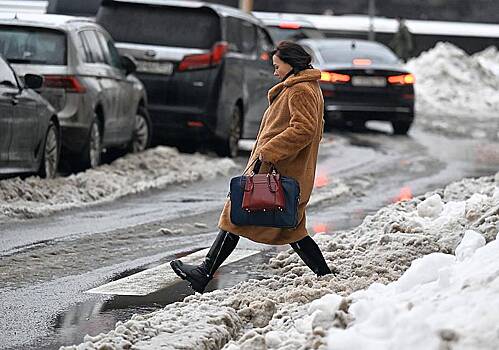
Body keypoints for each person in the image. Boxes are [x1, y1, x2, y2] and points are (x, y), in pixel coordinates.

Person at [170, 41, 332, 294]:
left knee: (238, 214)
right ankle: (325, 274)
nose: (274, 71)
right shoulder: (301, 87)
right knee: (291, 229)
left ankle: (204, 272)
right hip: (283, 167)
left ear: (291, 64)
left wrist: (269, 151)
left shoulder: (300, 90)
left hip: (279, 168)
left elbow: (304, 129)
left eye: (277, 66)